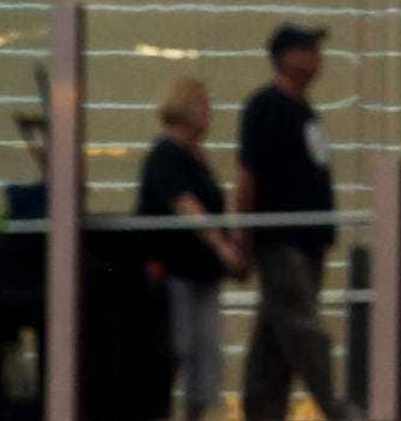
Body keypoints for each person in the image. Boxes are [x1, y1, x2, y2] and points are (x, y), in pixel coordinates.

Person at [234, 24, 348, 421]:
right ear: (286, 57)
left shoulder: (306, 112)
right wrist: (242, 238)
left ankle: (261, 410)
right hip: (281, 240)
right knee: (302, 329)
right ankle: (337, 407)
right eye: (308, 48)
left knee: (275, 338)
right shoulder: (264, 107)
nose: (318, 56)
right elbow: (247, 177)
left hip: (309, 242)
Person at [136, 77, 244, 421]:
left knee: (204, 356)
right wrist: (223, 247)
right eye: (203, 103)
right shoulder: (166, 155)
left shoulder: (197, 157)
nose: (209, 110)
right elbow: (186, 205)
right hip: (175, 273)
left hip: (201, 273)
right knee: (176, 349)